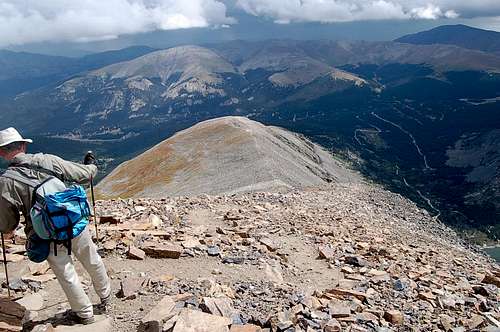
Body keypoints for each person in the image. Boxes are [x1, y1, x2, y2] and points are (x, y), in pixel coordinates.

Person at [0, 127, 111, 325]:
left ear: (1, 152)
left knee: (66, 272)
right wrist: (92, 164)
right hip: (74, 220)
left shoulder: (6, 181)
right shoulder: (48, 160)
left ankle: (84, 314)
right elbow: (85, 174)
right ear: (24, 145)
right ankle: (106, 297)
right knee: (92, 258)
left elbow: (8, 222)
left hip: (47, 232)